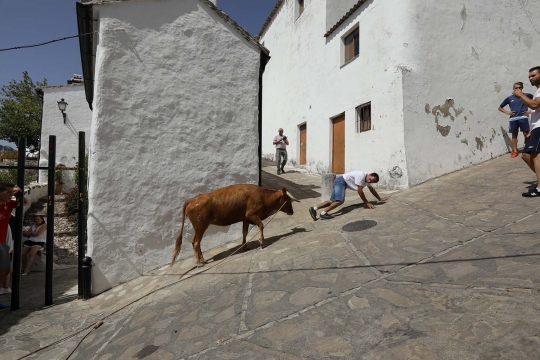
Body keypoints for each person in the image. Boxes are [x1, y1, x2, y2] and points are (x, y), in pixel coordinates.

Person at [308, 171, 389, 220]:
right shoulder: (361, 175)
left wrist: (379, 198)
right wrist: (367, 203)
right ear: (369, 174)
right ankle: (323, 214)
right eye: (370, 179)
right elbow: (360, 191)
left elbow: (372, 189)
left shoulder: (367, 180)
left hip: (342, 181)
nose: (369, 181)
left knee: (332, 201)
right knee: (340, 201)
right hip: (341, 181)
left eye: (372, 181)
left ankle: (314, 208)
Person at [516, 67, 540, 197]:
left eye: (533, 75)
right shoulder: (537, 91)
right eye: (529, 77)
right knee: (526, 155)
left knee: (536, 154)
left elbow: (535, 105)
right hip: (536, 128)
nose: (531, 78)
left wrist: (521, 95)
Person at [0, 183, 25, 302]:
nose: (11, 195)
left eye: (12, 192)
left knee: (5, 269)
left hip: (2, 242)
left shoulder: (7, 204)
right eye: (8, 192)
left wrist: (19, 193)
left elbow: (25, 202)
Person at [498, 81, 533, 157]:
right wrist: (507, 112)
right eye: (516, 88)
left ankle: (527, 149)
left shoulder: (527, 95)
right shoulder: (509, 98)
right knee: (514, 135)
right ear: (513, 89)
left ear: (522, 88)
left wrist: (530, 111)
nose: (518, 89)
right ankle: (515, 151)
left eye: (519, 87)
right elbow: (500, 108)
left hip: (524, 118)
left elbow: (536, 103)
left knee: (526, 134)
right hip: (513, 119)